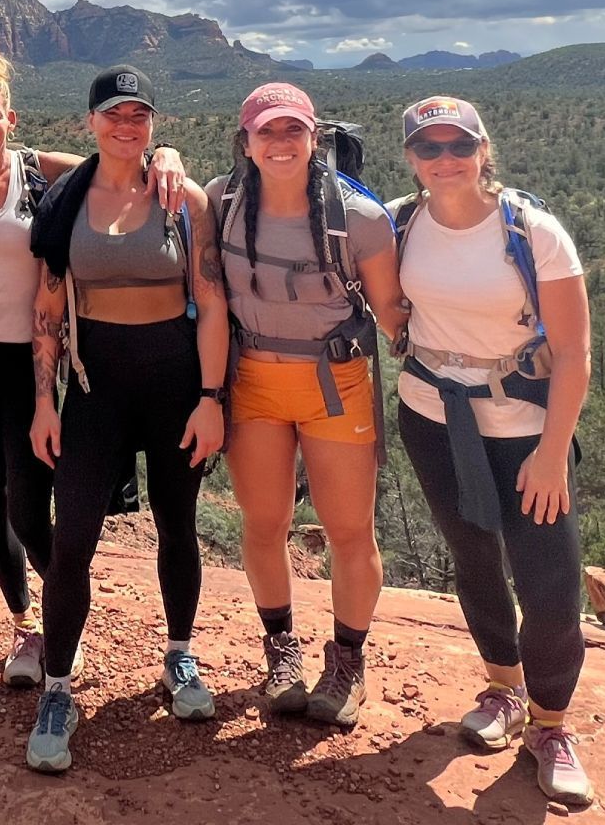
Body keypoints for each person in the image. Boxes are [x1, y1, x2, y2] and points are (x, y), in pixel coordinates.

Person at [0, 50, 184, 689]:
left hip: (28, 360)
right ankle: (28, 627)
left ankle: (65, 598)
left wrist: (166, 156)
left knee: (25, 504)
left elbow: (118, 171)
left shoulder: (43, 171)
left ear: (11, 118)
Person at [387, 96, 595, 805]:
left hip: (524, 430)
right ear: (411, 159)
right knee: (473, 554)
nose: (444, 160)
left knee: (549, 579)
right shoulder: (400, 223)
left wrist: (552, 451)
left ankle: (552, 724)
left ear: (484, 150)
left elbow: (573, 353)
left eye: (458, 146)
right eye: (428, 148)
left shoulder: (533, 233)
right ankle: (503, 688)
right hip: (431, 416)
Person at [22, 65, 228, 773]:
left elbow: (211, 302)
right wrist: (44, 402)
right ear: (91, 123)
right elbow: (48, 308)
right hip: (93, 385)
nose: (126, 125)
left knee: (177, 522)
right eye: (113, 114)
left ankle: (179, 657)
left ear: (152, 124)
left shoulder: (183, 198)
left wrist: (211, 398)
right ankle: (57, 688)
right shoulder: (66, 201)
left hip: (174, 382)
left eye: (139, 115)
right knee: (72, 535)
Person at [209, 83, 405, 728]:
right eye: (267, 132)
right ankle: (281, 652)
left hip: (335, 385)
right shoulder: (221, 203)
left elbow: (393, 317)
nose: (281, 142)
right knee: (264, 524)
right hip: (253, 384)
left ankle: (346, 659)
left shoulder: (361, 218)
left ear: (314, 137)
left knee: (349, 531)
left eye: (293, 130)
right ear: (247, 142)